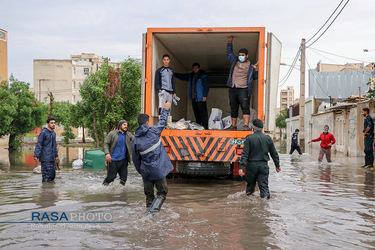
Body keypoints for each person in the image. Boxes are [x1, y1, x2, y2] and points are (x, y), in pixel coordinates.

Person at [132, 102, 174, 216]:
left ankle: (148, 214)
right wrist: (165, 109)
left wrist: (142, 171)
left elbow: (135, 159)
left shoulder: (135, 139)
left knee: (149, 196)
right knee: (162, 193)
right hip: (159, 170)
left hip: (145, 171)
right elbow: (162, 121)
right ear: (147, 122)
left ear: (138, 124)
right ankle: (152, 214)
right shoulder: (154, 131)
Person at [239, 119, 281, 199]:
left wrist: (241, 167)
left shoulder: (249, 138)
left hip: (251, 166)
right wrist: (277, 165)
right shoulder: (268, 139)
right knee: (264, 188)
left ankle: (250, 206)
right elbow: (274, 154)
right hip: (263, 166)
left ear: (253, 128)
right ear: (262, 128)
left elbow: (245, 154)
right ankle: (265, 204)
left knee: (250, 189)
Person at [226, 35, 259, 131]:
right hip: (233, 87)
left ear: (247, 56)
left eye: (243, 55)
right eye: (239, 55)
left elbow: (255, 78)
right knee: (233, 107)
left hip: (244, 88)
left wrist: (256, 70)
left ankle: (246, 126)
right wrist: (230, 41)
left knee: (245, 107)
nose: (241, 56)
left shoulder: (251, 65)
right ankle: (233, 126)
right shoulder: (234, 61)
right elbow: (229, 53)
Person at [174, 62, 210, 128]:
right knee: (196, 113)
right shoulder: (191, 75)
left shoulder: (203, 75)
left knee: (203, 113)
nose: (195, 69)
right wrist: (174, 74)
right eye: (194, 68)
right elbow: (183, 76)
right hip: (194, 98)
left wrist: (205, 95)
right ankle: (198, 126)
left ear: (199, 68)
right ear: (192, 69)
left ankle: (205, 126)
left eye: (196, 68)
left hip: (201, 97)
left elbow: (206, 86)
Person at [103, 120, 133, 186]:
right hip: (112, 160)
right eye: (124, 125)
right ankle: (104, 187)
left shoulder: (128, 134)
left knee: (124, 179)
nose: (126, 126)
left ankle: (122, 194)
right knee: (111, 177)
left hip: (123, 160)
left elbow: (135, 140)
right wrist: (107, 153)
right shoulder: (112, 133)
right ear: (120, 126)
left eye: (127, 125)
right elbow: (106, 143)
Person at [33, 117, 59, 183]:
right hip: (45, 157)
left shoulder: (53, 133)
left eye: (54, 123)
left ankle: (51, 191)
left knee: (52, 175)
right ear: (48, 124)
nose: (53, 124)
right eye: (51, 123)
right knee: (46, 176)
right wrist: (36, 155)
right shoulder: (43, 133)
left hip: (51, 158)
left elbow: (54, 146)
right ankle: (45, 190)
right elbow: (39, 144)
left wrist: (56, 156)